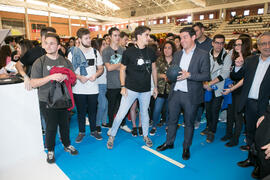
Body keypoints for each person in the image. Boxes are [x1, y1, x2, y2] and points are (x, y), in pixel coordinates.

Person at [156, 27, 210, 160]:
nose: (182, 40)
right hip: (175, 93)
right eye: (181, 38)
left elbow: (206, 75)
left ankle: (186, 147)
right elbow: (173, 72)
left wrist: (189, 75)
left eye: (185, 37)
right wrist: (170, 76)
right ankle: (169, 143)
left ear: (193, 37)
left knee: (189, 123)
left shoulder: (202, 54)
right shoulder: (177, 54)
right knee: (172, 120)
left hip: (190, 95)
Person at [224, 32, 270, 179]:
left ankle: (261, 165)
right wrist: (237, 67)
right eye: (263, 43)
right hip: (249, 103)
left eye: (269, 43)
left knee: (263, 138)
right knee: (250, 133)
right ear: (258, 45)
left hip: (266, 108)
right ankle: (251, 158)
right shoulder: (250, 60)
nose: (267, 46)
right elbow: (238, 77)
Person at [106, 25, 158, 149]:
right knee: (120, 113)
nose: (149, 37)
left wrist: (155, 87)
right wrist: (123, 86)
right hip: (130, 89)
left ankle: (145, 135)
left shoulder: (150, 51)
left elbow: (154, 69)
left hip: (145, 90)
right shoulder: (129, 52)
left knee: (145, 113)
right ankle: (112, 135)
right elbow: (122, 70)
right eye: (147, 35)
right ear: (139, 36)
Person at [30, 33, 78, 164]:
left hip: (63, 99)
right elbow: (33, 83)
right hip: (46, 100)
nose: (48, 46)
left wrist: (66, 77)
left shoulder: (65, 62)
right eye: (46, 43)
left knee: (65, 124)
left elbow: (73, 80)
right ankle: (50, 150)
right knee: (51, 126)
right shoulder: (39, 62)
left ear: (58, 46)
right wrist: (51, 77)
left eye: (52, 43)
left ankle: (67, 144)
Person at [68, 28, 104, 143]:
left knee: (93, 111)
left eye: (89, 38)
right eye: (86, 38)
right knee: (81, 112)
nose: (89, 40)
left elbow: (101, 68)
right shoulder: (72, 53)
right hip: (79, 88)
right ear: (79, 39)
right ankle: (81, 132)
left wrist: (96, 75)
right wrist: (79, 77)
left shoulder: (95, 52)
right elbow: (69, 70)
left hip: (93, 88)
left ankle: (94, 131)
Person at [221, 37, 251, 147]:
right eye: (236, 44)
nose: (236, 47)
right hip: (233, 90)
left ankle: (235, 138)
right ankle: (228, 134)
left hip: (241, 92)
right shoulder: (235, 57)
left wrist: (232, 88)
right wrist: (232, 83)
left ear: (245, 45)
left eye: (239, 44)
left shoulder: (249, 59)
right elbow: (233, 75)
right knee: (230, 113)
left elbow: (245, 79)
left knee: (237, 115)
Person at [202, 34, 231, 143]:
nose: (219, 45)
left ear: (223, 44)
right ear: (213, 43)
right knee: (207, 109)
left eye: (221, 43)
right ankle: (209, 126)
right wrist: (205, 83)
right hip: (206, 86)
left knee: (215, 110)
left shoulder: (226, 56)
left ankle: (212, 132)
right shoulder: (206, 55)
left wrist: (209, 83)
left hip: (218, 88)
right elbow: (203, 70)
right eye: (217, 42)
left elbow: (224, 74)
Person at [102, 27, 131, 133]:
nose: (117, 37)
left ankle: (123, 124)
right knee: (112, 106)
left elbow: (126, 67)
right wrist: (121, 65)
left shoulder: (123, 50)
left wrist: (118, 66)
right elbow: (108, 68)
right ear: (110, 37)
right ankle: (111, 126)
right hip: (111, 84)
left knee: (123, 106)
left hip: (123, 83)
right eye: (115, 35)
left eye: (118, 35)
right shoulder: (106, 51)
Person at [150, 41, 176, 136]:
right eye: (165, 48)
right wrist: (163, 75)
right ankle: (154, 126)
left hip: (172, 89)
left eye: (169, 48)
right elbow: (154, 73)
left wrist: (172, 76)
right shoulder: (159, 60)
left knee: (170, 110)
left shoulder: (176, 60)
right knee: (157, 109)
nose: (167, 50)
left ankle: (168, 126)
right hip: (160, 89)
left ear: (173, 49)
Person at [192, 22, 212, 129]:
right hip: (194, 75)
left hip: (206, 76)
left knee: (202, 100)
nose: (195, 33)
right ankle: (193, 119)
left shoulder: (211, 43)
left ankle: (198, 120)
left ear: (202, 30)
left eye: (196, 31)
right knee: (193, 99)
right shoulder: (193, 43)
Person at [91, 38, 108, 133]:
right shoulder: (95, 57)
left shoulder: (106, 56)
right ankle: (97, 124)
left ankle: (104, 122)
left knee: (106, 104)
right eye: (104, 44)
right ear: (98, 46)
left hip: (107, 84)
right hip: (98, 84)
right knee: (102, 104)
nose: (106, 46)